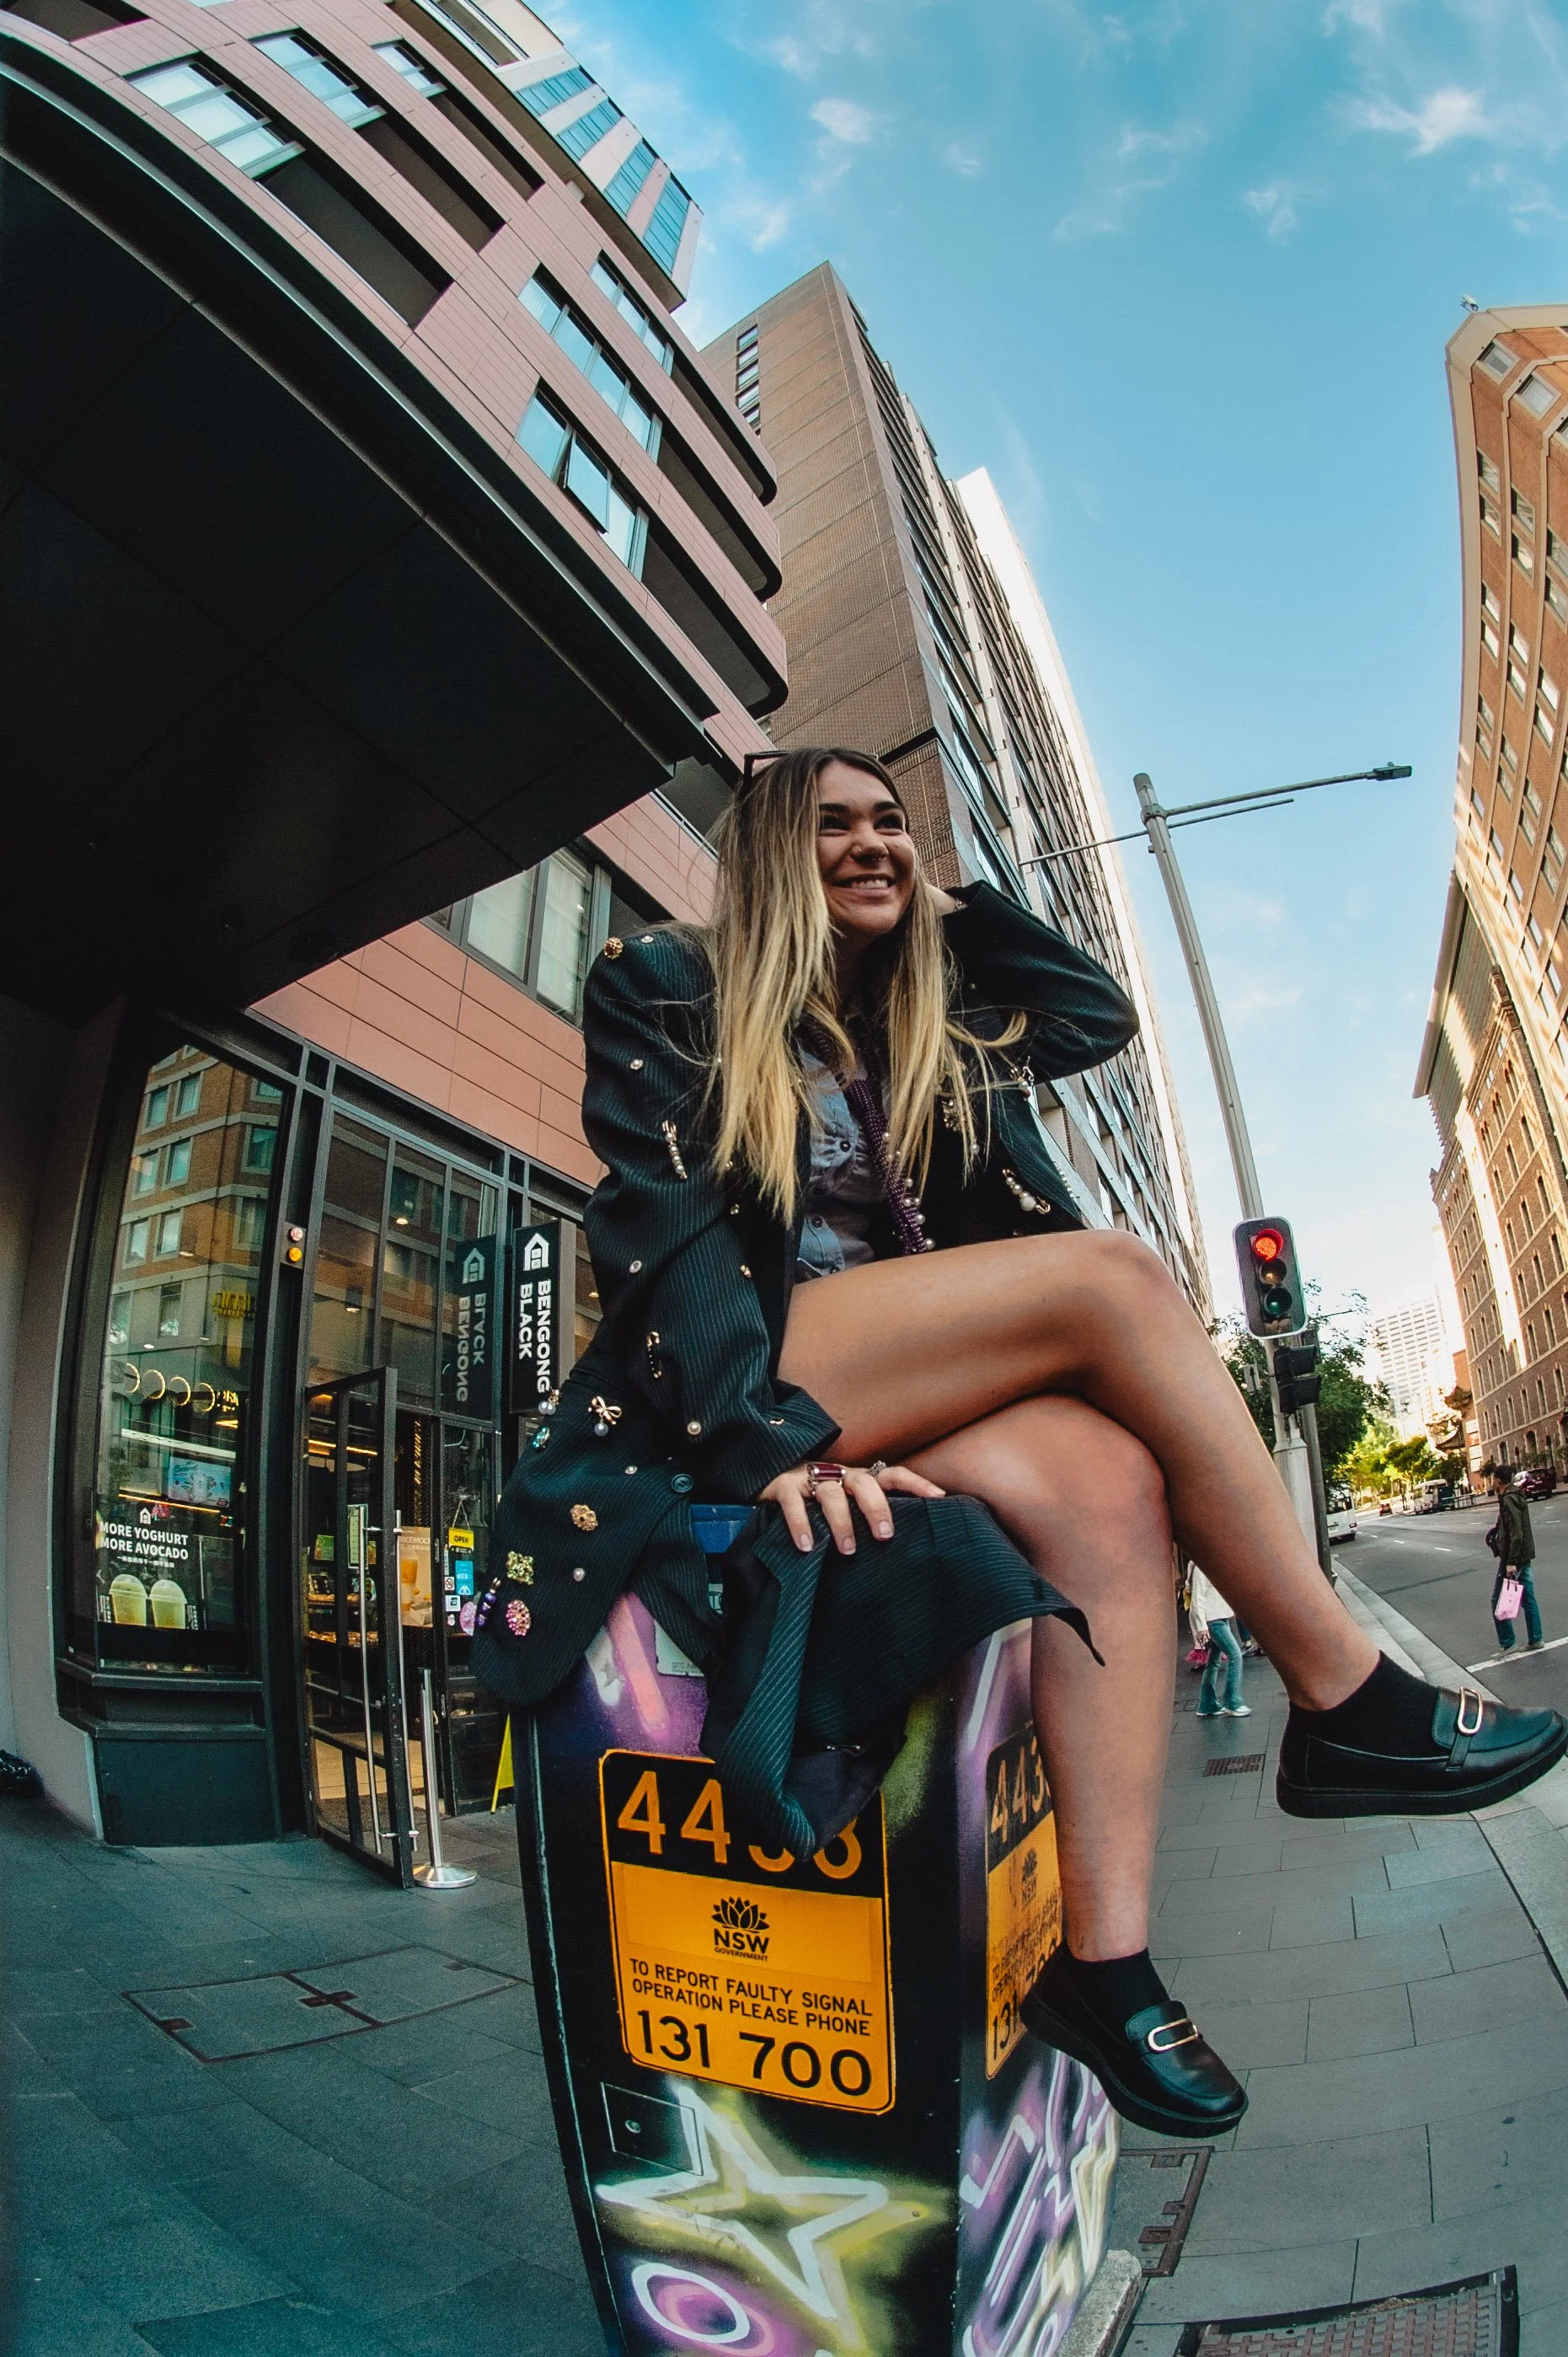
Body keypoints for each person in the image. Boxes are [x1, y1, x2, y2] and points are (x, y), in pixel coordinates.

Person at [474, 745, 1567, 2142]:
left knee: (1110, 1485)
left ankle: (1103, 1970)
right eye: (833, 828)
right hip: (747, 1371)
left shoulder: (944, 1019)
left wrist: (946, 898)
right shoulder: (669, 982)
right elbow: (663, 1233)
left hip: (909, 1384)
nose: (874, 844)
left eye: (890, 823)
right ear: (762, 857)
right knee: (1114, 1281)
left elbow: (1090, 1014)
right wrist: (765, 1450)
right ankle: (1346, 1699)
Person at [1485, 1462, 1544, 1651]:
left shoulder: (1509, 1499)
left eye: (1494, 1479)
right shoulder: (1513, 1495)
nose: (1492, 1483)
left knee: (1496, 1598)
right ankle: (1536, 1639)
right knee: (1528, 1599)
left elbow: (1516, 1533)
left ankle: (1508, 1642)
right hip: (1523, 1556)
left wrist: (1510, 1562)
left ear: (1498, 1480)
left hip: (1513, 1559)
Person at [1191, 1566, 1249, 1717]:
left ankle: (1207, 1704)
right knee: (1235, 1656)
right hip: (1213, 1620)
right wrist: (1201, 1626)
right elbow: (1197, 1598)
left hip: (1219, 1618)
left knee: (1214, 1662)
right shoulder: (1201, 1568)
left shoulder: (1211, 1564)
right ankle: (1232, 1702)